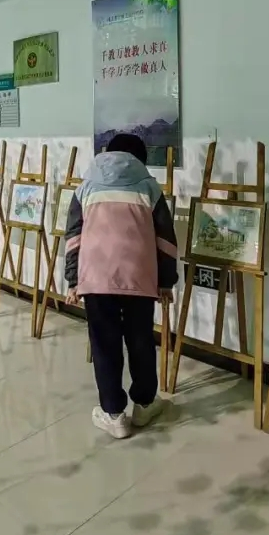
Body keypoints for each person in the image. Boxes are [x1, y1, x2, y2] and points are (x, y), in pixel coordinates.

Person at [64, 133, 178, 439]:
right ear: (140, 159)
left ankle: (113, 414)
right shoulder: (150, 187)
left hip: (96, 277)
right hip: (139, 276)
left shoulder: (85, 187)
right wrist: (166, 281)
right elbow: (166, 239)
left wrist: (73, 280)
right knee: (140, 340)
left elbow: (73, 236)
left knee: (104, 344)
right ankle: (144, 404)